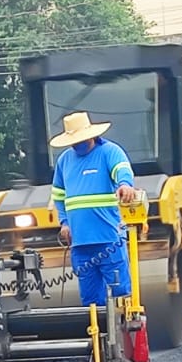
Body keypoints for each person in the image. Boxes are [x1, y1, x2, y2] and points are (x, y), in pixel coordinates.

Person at [50, 111, 139, 309]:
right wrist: (64, 222)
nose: (77, 144)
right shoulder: (64, 161)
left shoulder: (109, 152)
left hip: (109, 239)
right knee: (90, 301)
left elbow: (122, 170)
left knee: (121, 293)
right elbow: (58, 195)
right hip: (80, 243)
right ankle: (98, 328)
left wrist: (125, 185)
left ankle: (127, 326)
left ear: (91, 135)